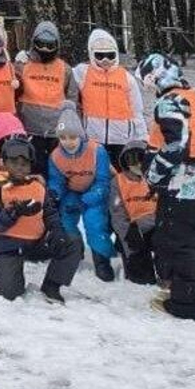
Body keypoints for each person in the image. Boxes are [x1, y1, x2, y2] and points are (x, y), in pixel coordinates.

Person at [144, 58, 195, 322]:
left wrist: (153, 174)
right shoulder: (192, 97)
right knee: (192, 244)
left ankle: (187, 304)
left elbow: (177, 144)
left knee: (178, 245)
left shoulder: (168, 102)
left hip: (180, 185)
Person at [0, 135, 81, 302]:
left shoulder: (38, 186)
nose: (19, 168)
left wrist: (57, 232)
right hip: (7, 244)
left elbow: (50, 213)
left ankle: (52, 285)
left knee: (72, 242)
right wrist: (14, 212)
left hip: (36, 242)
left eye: (24, 164)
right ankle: (8, 280)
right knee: (8, 294)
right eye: (14, 163)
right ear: (4, 163)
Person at [47, 107, 116, 281]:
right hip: (72, 192)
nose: (68, 142)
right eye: (63, 137)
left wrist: (90, 198)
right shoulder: (55, 156)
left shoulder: (96, 151)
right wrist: (54, 193)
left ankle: (102, 260)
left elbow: (103, 180)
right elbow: (57, 181)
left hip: (94, 191)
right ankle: (74, 252)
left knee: (95, 222)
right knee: (65, 220)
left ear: (80, 135)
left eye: (72, 137)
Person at [71, 28, 147, 163]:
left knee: (119, 175)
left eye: (110, 55)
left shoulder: (127, 77)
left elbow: (137, 109)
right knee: (98, 172)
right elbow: (61, 75)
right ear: (91, 54)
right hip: (93, 137)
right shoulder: (82, 72)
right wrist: (26, 60)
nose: (105, 60)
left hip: (122, 137)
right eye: (99, 56)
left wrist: (141, 136)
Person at [15, 21, 77, 173]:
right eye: (40, 44)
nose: (44, 49)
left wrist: (71, 126)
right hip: (29, 129)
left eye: (50, 46)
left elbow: (72, 99)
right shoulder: (23, 64)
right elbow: (11, 87)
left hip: (56, 132)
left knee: (57, 169)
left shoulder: (65, 69)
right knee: (34, 169)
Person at [108, 140, 158, 285]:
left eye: (140, 159)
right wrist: (128, 235)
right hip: (131, 230)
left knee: (166, 247)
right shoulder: (118, 182)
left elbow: (165, 209)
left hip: (156, 228)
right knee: (141, 277)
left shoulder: (158, 179)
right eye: (131, 160)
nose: (136, 164)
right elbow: (117, 214)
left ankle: (165, 272)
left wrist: (143, 225)